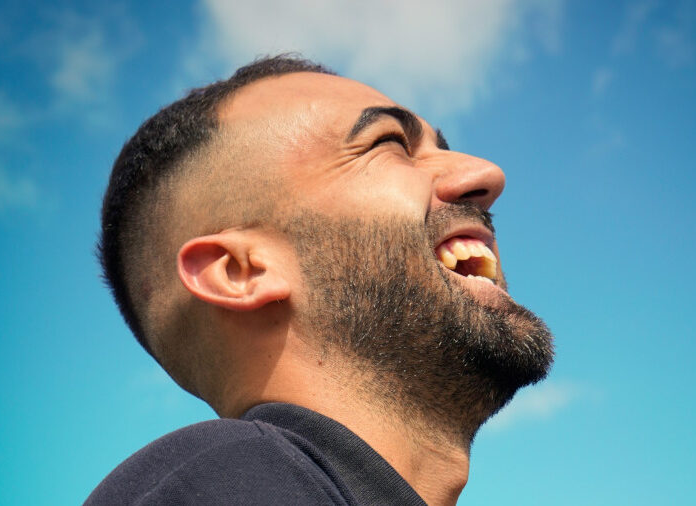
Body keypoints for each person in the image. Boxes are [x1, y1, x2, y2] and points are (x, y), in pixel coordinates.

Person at [87, 54, 554, 506]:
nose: (485, 174)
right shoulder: (226, 479)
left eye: (442, 149)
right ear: (239, 271)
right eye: (388, 144)